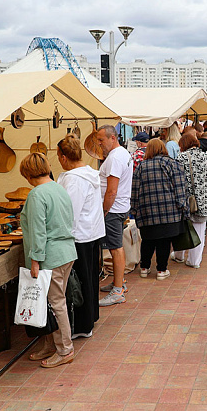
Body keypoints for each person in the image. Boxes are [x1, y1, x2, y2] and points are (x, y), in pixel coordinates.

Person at [19, 153, 78, 368]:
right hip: (65, 251)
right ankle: (52, 345)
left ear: (27, 173)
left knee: (56, 303)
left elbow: (38, 231)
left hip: (51, 255)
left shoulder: (36, 194)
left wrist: (35, 260)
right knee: (52, 302)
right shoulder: (58, 188)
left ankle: (65, 349)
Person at [56, 135, 105, 339]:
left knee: (81, 282)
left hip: (80, 236)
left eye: (59, 156)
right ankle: (90, 318)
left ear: (65, 157)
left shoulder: (74, 179)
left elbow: (70, 213)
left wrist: (63, 236)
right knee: (90, 278)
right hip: (92, 232)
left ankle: (83, 325)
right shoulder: (90, 174)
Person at [130, 139, 188, 280]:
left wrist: (134, 209)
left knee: (147, 239)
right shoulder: (173, 164)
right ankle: (162, 270)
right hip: (169, 211)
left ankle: (145, 267)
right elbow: (180, 189)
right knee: (164, 241)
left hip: (146, 211)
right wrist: (183, 208)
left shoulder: (141, 166)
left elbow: (135, 190)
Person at [96, 125, 133, 307]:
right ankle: (120, 283)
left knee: (115, 247)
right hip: (119, 207)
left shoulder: (115, 158)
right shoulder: (122, 154)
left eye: (101, 140)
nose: (100, 144)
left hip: (113, 209)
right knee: (116, 247)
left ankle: (118, 291)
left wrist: (103, 211)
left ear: (112, 138)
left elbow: (111, 191)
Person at [172, 133, 207, 269]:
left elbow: (175, 178)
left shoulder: (181, 158)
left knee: (182, 228)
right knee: (199, 230)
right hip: (203, 199)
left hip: (185, 199)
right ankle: (194, 261)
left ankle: (179, 255)